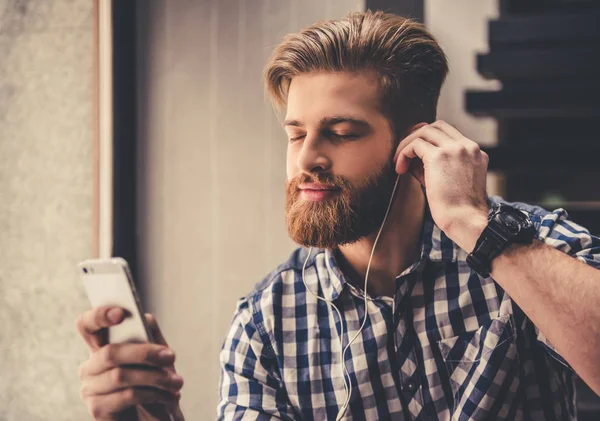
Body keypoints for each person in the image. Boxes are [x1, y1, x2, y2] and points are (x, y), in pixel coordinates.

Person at [76, 10, 600, 421]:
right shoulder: (265, 324)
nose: (307, 160)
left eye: (341, 132)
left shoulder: (530, 245)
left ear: (417, 141)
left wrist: (475, 227)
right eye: (296, 134)